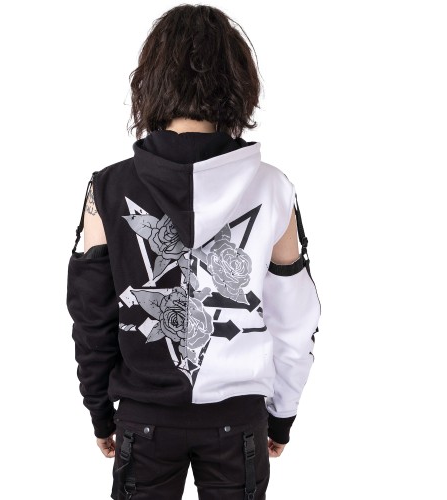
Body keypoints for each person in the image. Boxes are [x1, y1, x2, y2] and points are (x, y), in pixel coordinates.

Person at [66, 4, 321, 500]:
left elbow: (91, 315)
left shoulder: (107, 188)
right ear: (239, 81)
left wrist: (99, 410)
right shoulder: (274, 188)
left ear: (151, 81)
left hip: (144, 420)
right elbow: (295, 319)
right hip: (238, 423)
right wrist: (282, 414)